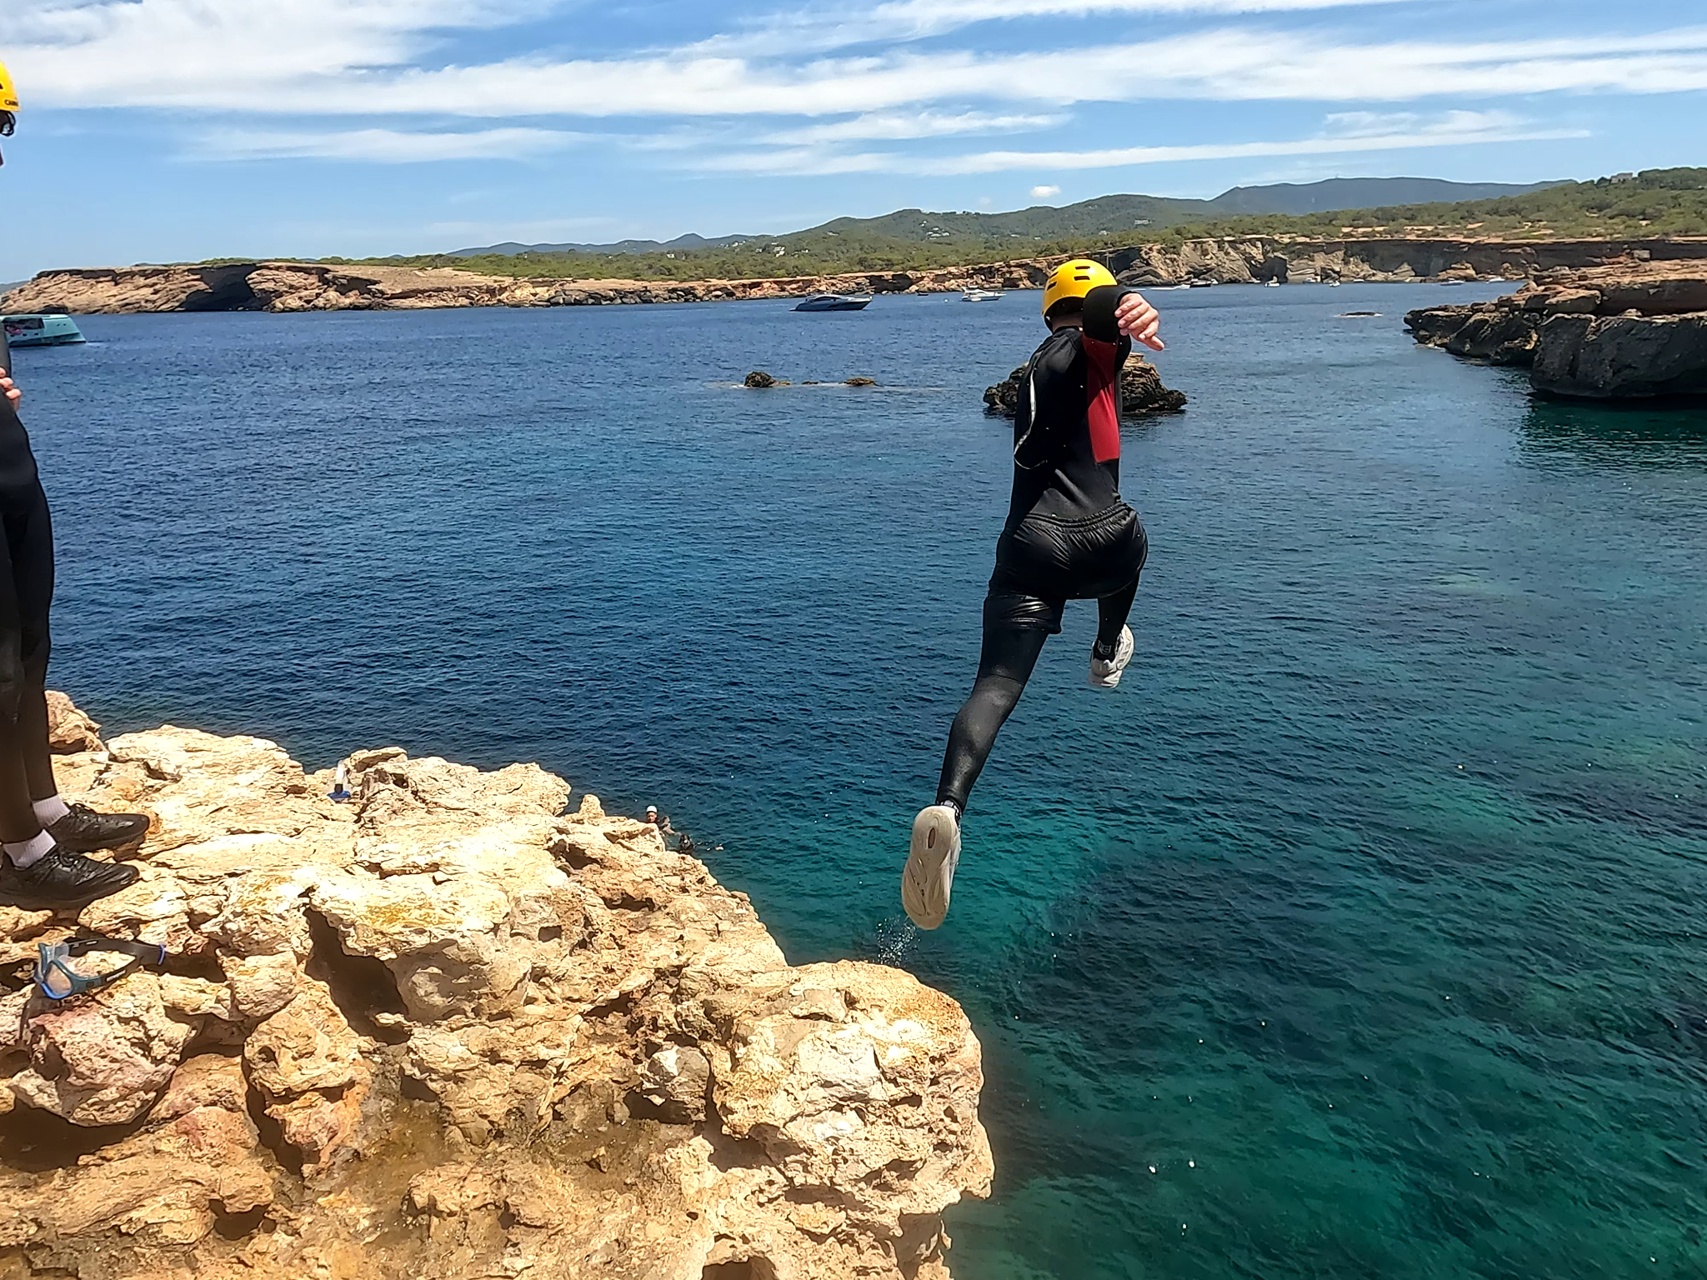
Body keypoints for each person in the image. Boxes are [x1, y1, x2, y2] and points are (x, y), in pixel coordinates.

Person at [901, 259, 1163, 930]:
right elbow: (1101, 315)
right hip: (1105, 538)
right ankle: (1106, 646)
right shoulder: (1088, 346)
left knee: (993, 685)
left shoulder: (1034, 368)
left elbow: (1086, 315)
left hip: (1030, 545)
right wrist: (1126, 300)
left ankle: (948, 809)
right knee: (1131, 547)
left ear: (1046, 311)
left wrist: (1111, 305)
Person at [0, 68, 150, 910]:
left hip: (6, 458)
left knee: (28, 643)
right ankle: (19, 853)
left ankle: (44, 809)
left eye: (3, 130)